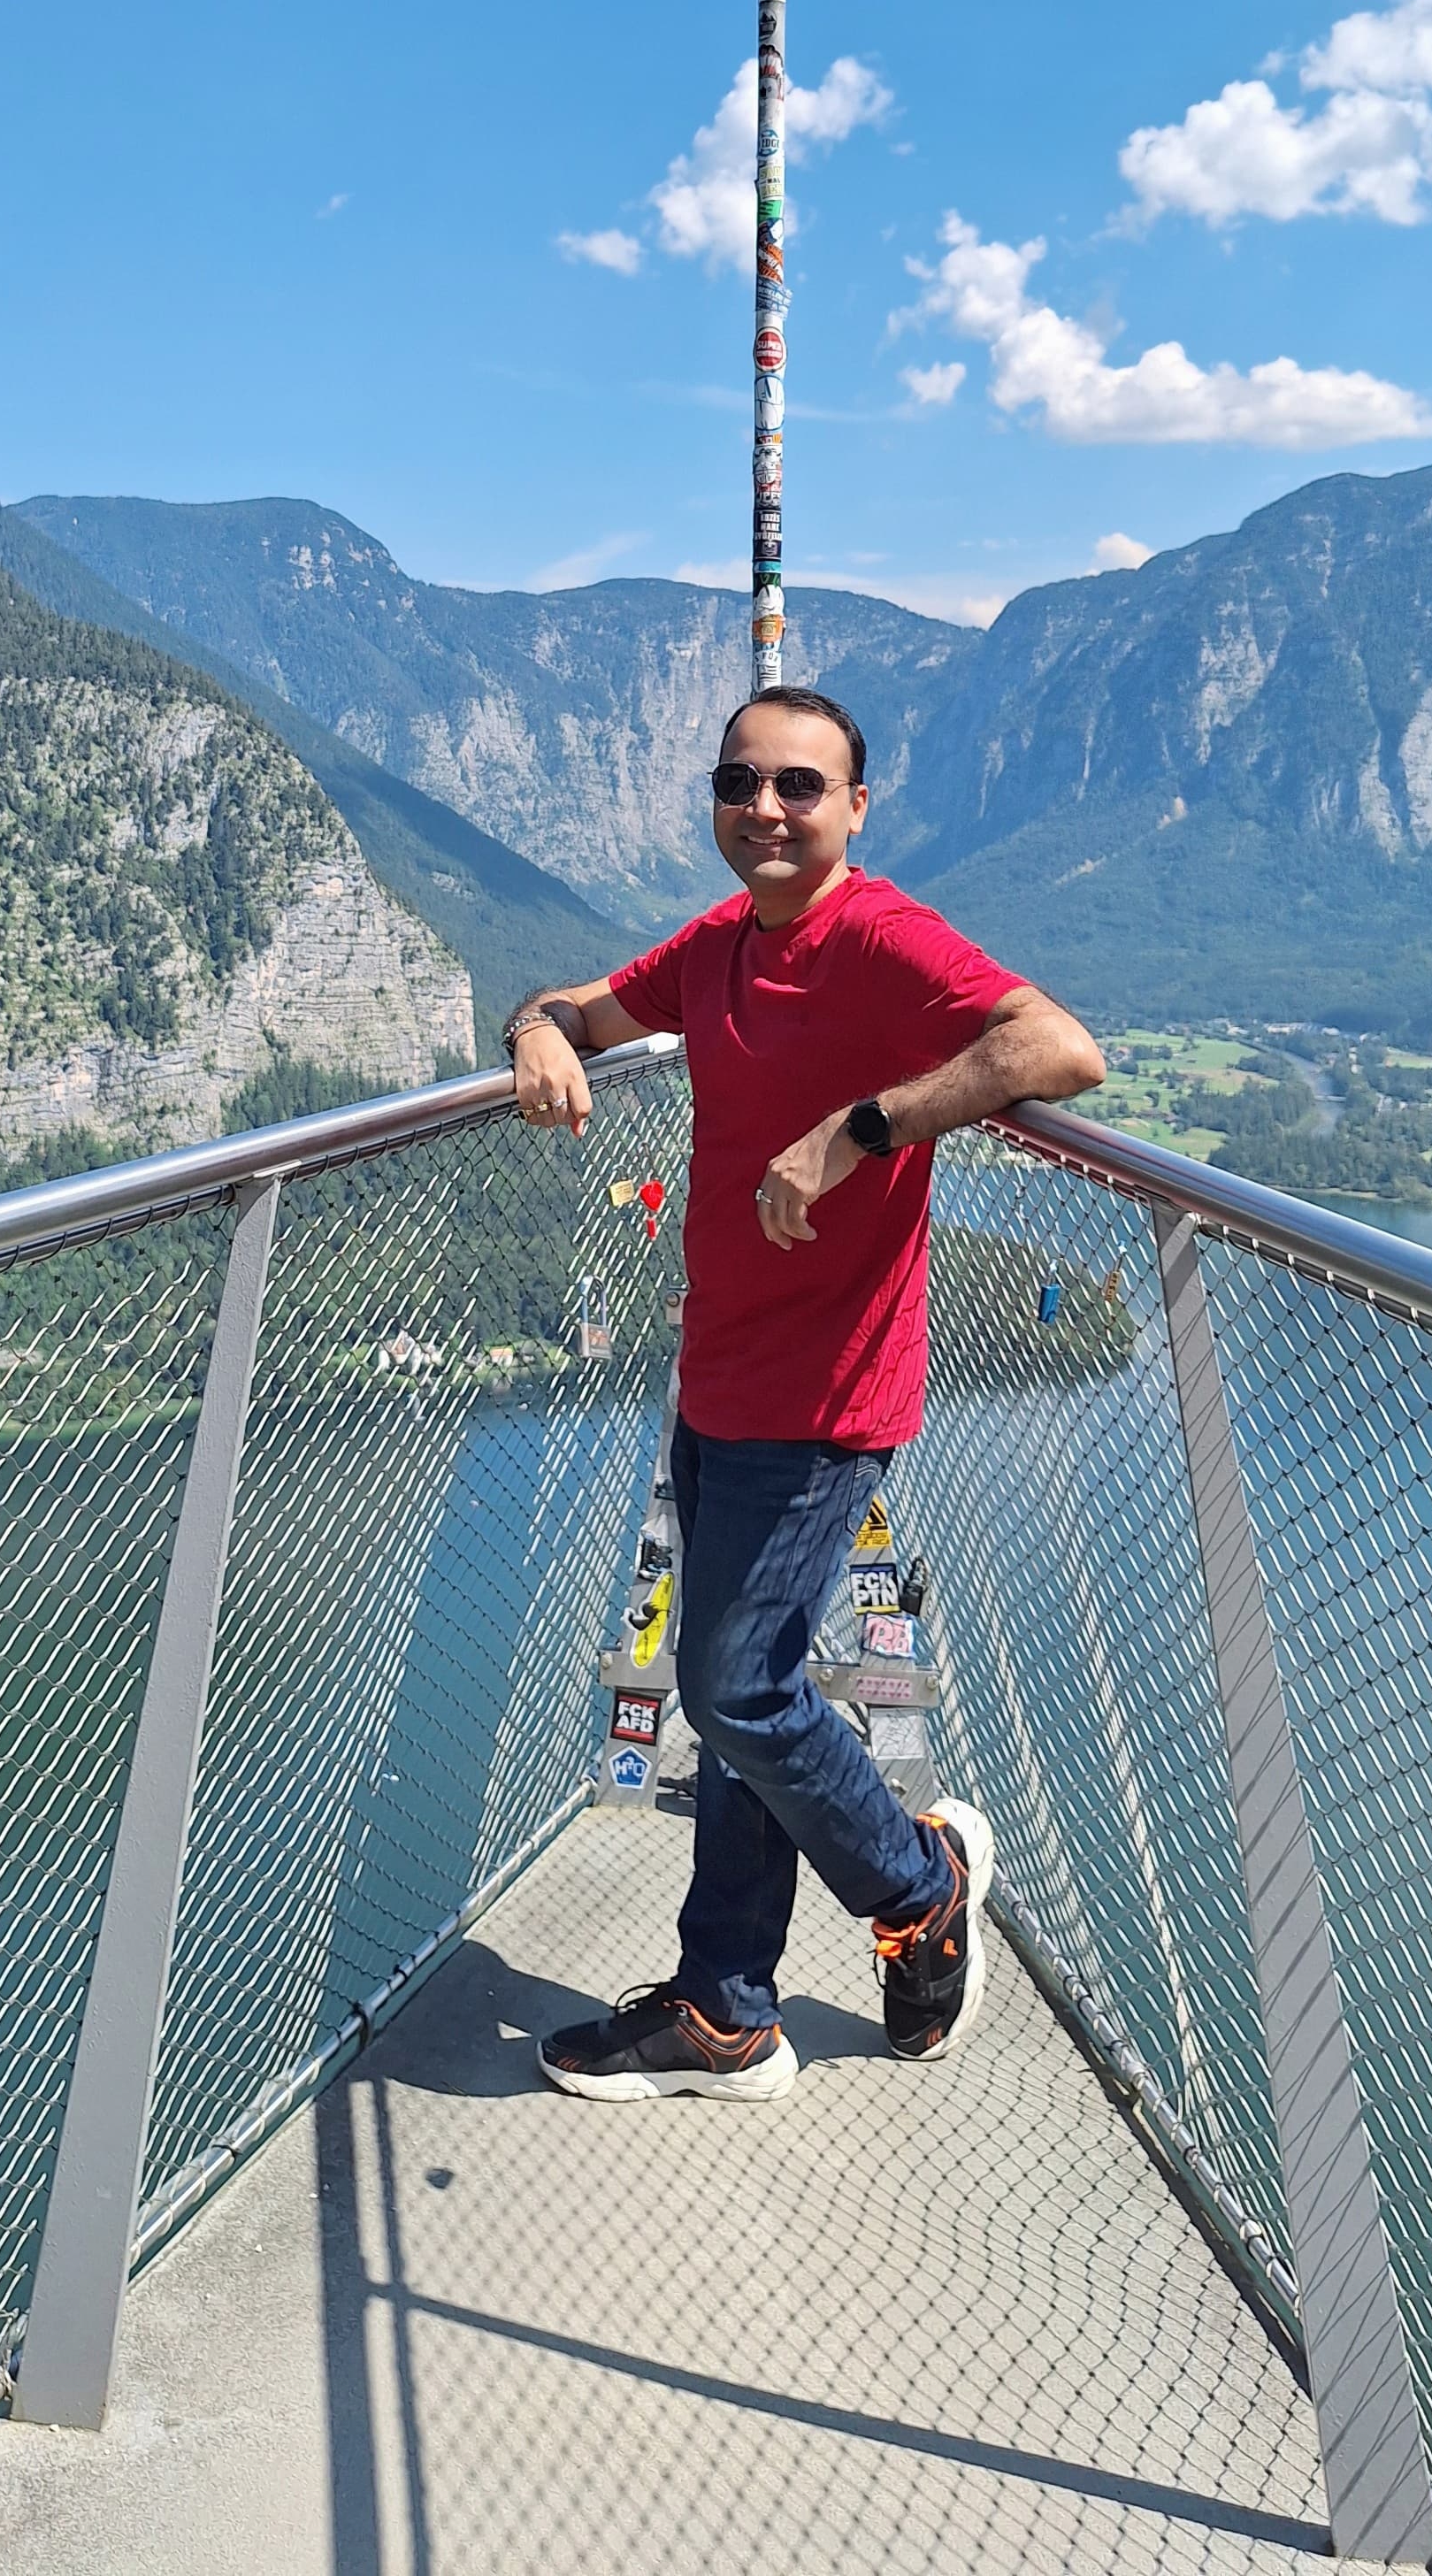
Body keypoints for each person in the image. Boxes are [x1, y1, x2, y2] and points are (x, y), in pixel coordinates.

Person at [507, 682, 1104, 2102]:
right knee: (735, 1698)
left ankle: (919, 1888)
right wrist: (535, 1034)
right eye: (736, 785)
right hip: (722, 1367)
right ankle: (725, 2010)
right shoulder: (724, 942)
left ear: (853, 807)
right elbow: (569, 1007)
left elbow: (1060, 1050)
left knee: (734, 1686)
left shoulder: (880, 936)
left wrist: (865, 1124)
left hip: (826, 1393)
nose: (762, 810)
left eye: (795, 786)